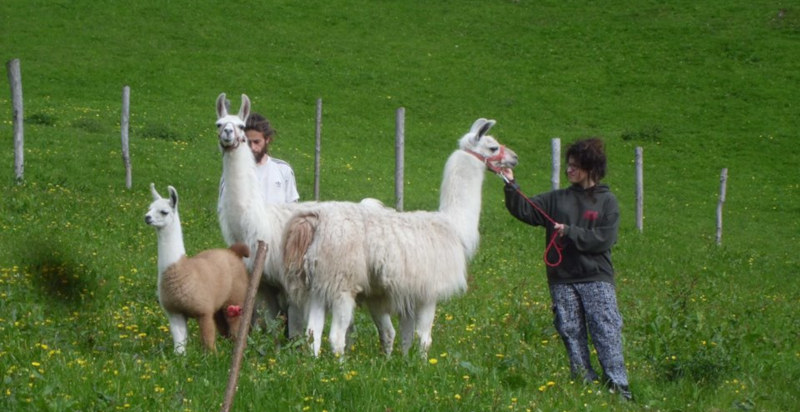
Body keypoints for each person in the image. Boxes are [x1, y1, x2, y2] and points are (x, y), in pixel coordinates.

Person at [500, 138, 632, 401]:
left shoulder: (607, 202)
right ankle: (585, 383)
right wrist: (511, 184)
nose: (569, 169)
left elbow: (604, 239)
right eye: (568, 164)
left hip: (596, 278)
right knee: (570, 330)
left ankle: (619, 386)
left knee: (605, 330)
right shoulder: (557, 199)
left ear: (591, 168)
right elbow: (525, 209)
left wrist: (570, 232)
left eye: (575, 166)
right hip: (561, 279)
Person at [244, 112, 299, 204]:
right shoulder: (234, 172)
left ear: (267, 139)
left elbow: (293, 208)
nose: (252, 147)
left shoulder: (283, 169)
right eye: (248, 142)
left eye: (257, 142)